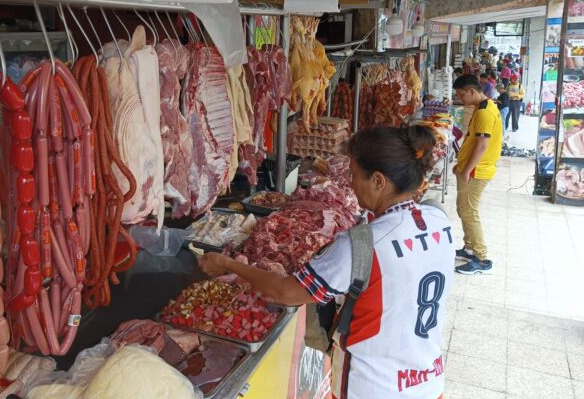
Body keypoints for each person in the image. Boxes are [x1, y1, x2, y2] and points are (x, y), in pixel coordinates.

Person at [199, 126, 454, 399]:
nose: (351, 184)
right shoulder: (438, 220)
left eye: (354, 176)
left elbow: (285, 292)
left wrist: (228, 263)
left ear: (379, 181)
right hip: (427, 383)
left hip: (373, 388)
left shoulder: (362, 245)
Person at [452, 74, 502, 274]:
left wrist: (465, 170)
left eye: (461, 94)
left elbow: (482, 146)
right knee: (463, 209)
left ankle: (481, 258)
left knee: (469, 212)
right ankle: (469, 247)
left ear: (472, 91)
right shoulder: (486, 107)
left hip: (476, 171)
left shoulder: (484, 113)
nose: (460, 98)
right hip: (474, 168)